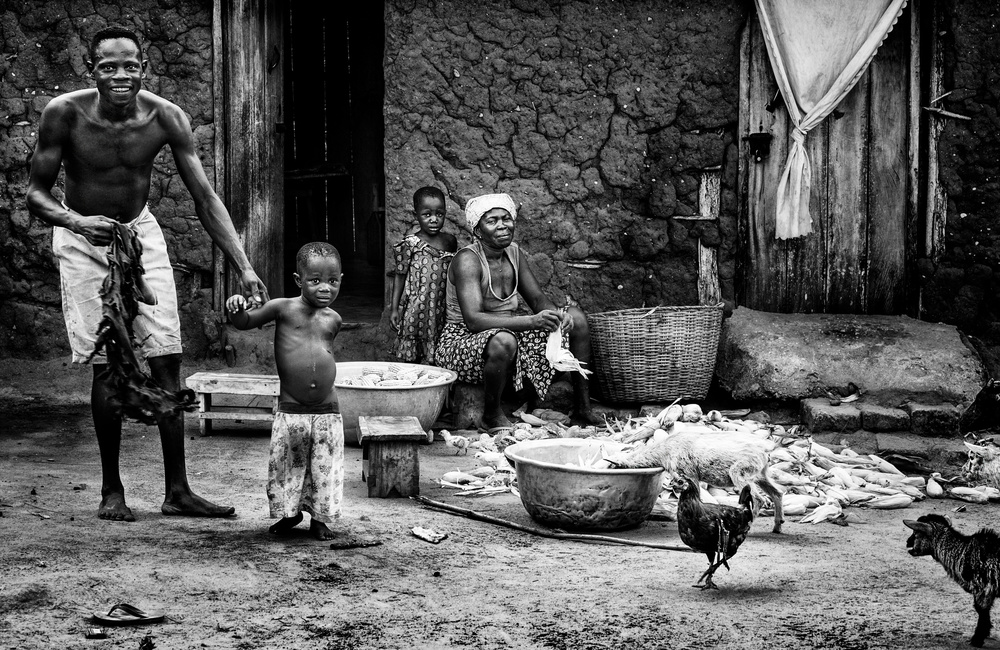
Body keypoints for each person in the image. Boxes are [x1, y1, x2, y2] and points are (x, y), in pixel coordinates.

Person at [25, 26, 270, 521]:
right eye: (108, 66)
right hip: (82, 238)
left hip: (139, 232)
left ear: (144, 69)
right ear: (91, 70)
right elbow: (36, 193)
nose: (120, 75)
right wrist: (76, 222)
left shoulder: (165, 116)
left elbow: (205, 197)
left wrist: (243, 265)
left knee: (166, 356)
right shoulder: (64, 113)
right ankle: (112, 490)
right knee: (107, 361)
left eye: (130, 66)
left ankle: (178, 491)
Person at [435, 193, 604, 432]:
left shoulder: (513, 252)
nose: (502, 225)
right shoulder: (468, 260)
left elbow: (537, 299)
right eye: (492, 221)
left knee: (576, 317)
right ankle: (491, 415)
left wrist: (557, 316)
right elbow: (473, 321)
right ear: (478, 230)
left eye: (506, 218)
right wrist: (532, 321)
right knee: (504, 341)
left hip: (509, 332)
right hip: (462, 341)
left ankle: (583, 409)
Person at [225, 242, 344, 541]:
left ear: (341, 279)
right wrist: (236, 307)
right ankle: (291, 515)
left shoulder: (334, 319)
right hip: (292, 408)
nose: (325, 288)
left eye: (332, 281)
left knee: (324, 469)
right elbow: (245, 322)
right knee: (288, 465)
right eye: (315, 280)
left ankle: (319, 520)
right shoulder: (282, 308)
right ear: (298, 280)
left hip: (327, 409)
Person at [388, 186, 458, 364]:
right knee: (412, 355)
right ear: (416, 214)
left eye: (439, 214)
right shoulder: (410, 244)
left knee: (439, 352)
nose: (434, 219)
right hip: (416, 307)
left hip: (442, 307)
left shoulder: (450, 241)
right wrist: (394, 308)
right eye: (427, 214)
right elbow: (400, 275)